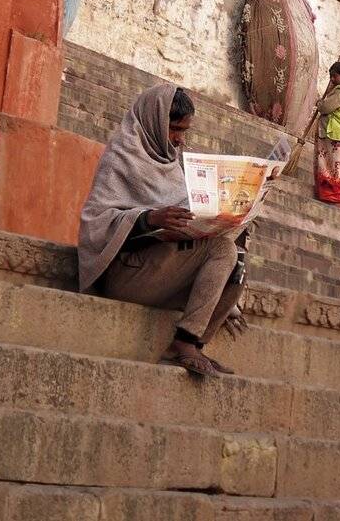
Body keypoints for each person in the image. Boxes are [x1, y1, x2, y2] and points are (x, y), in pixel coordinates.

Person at [77, 83, 246, 377]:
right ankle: (184, 343)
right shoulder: (121, 155)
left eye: (184, 132)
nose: (179, 140)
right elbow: (96, 223)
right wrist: (149, 219)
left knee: (236, 256)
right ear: (156, 121)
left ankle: (196, 345)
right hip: (127, 274)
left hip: (163, 273)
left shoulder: (172, 163)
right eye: (175, 130)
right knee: (222, 250)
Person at [313, 59, 340, 207]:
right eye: (331, 75)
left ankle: (334, 196)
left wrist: (319, 103)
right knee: (335, 167)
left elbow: (326, 107)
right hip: (339, 135)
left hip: (336, 134)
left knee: (334, 168)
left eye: (335, 76)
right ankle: (330, 195)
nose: (332, 79)